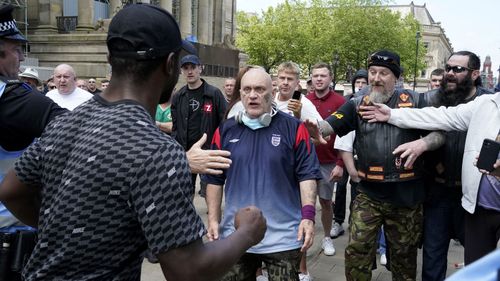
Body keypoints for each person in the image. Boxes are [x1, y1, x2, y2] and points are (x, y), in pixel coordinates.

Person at [0, 4, 266, 280]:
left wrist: (64, 231)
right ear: (170, 64)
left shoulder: (63, 122)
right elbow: (189, 270)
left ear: (109, 59)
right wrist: (246, 232)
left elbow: (11, 190)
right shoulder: (157, 151)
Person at [305, 50, 445, 280]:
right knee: (357, 250)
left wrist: (423, 144)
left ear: (396, 77)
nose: (376, 78)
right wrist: (315, 130)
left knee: (404, 256)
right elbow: (327, 127)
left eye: (383, 73)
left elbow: (440, 134)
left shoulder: (415, 101)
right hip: (368, 194)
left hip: (406, 197)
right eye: (372, 72)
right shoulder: (357, 103)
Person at [361, 83, 499, 267]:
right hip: (479, 209)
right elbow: (443, 116)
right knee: (479, 270)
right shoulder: (487, 103)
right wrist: (393, 114)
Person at [204, 68, 321, 281]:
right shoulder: (225, 131)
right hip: (236, 235)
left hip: (284, 238)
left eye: (259, 89)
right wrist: (213, 219)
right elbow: (214, 178)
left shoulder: (294, 129)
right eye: (247, 90)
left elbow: (307, 175)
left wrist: (308, 217)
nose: (253, 95)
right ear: (240, 94)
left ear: (271, 91)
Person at [417, 51, 492, 281]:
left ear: (475, 74)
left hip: (474, 198)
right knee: (432, 259)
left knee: (477, 263)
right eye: (448, 68)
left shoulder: (488, 104)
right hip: (437, 193)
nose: (450, 73)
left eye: (458, 69)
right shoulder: (431, 99)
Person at [274, 61, 322, 281]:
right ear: (276, 80)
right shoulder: (269, 101)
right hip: (274, 171)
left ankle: (303, 269)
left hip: (297, 173)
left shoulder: (304, 104)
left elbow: (321, 138)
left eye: (290, 79)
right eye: (282, 78)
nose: (285, 83)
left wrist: (300, 116)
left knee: (299, 220)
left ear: (297, 83)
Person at [171, 54, 227, 197]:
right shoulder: (179, 96)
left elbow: (224, 122)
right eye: (186, 68)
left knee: (208, 191)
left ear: (200, 69)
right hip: (186, 152)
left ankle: (212, 218)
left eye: (193, 67)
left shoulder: (213, 93)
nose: (190, 72)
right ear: (182, 71)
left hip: (207, 150)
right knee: (184, 191)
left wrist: (219, 145)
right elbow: (175, 126)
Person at [306, 62, 345, 258]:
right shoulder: (304, 100)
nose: (319, 79)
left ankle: (327, 236)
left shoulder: (341, 102)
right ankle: (306, 235)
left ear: (330, 78)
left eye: (323, 75)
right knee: (306, 202)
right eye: (315, 76)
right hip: (305, 162)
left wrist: (340, 163)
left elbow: (347, 135)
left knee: (326, 201)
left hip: (328, 161)